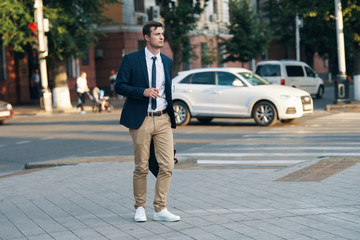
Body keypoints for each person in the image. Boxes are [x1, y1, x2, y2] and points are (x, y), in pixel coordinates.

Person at [115, 21, 180, 222]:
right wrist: (142, 92)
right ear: (147, 37)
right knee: (141, 166)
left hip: (162, 119)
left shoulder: (167, 62)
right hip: (141, 119)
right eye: (157, 34)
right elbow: (120, 86)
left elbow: (166, 89)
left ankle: (160, 209)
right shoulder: (131, 60)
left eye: (162, 34)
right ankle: (140, 207)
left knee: (167, 165)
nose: (162, 37)